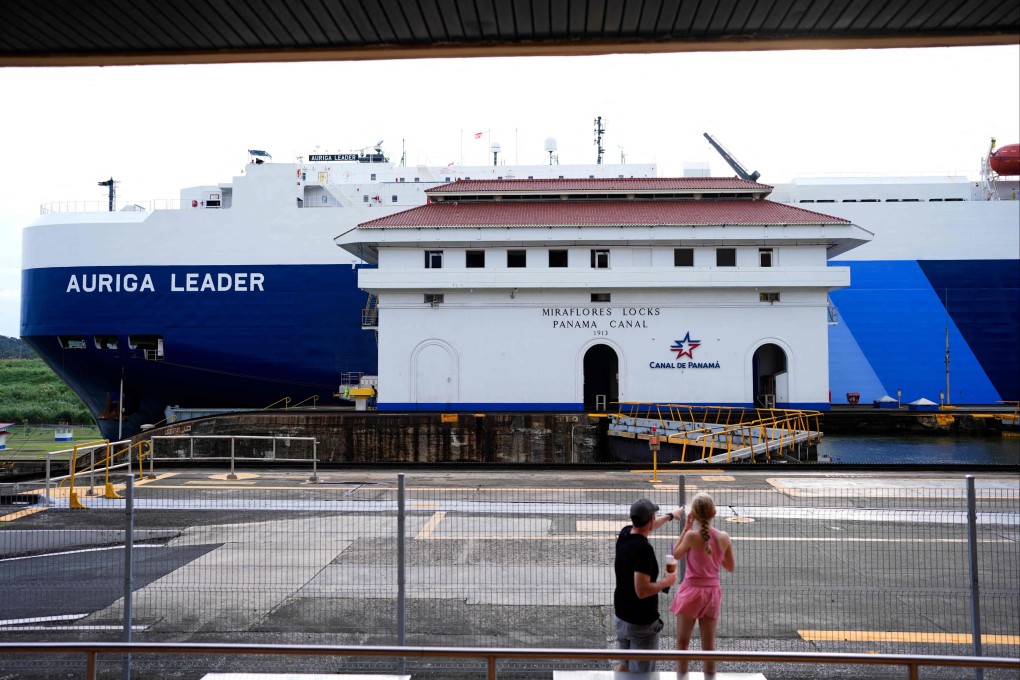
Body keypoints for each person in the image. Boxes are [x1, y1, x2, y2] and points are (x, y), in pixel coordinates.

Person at [670, 492, 735, 678]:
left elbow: (675, 555)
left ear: (694, 515)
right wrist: (714, 558)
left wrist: (685, 529)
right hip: (712, 594)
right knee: (709, 646)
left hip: (691, 592)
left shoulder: (691, 536)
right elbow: (730, 567)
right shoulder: (723, 537)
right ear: (714, 513)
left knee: (683, 643)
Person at [613, 498, 681, 673]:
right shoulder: (644, 550)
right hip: (641, 623)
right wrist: (666, 581)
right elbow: (642, 590)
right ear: (650, 520)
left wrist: (671, 516)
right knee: (643, 674)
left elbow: (649, 526)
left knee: (625, 665)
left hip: (622, 617)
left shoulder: (625, 534)